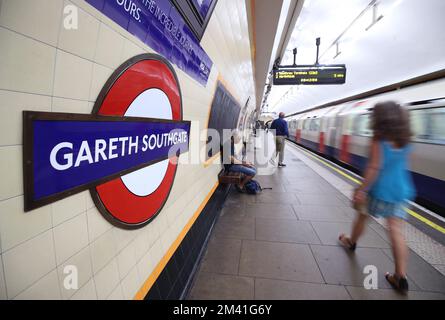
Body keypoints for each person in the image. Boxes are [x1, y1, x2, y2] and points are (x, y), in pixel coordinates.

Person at [339, 101, 415, 294]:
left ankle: (351, 241)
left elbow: (374, 167)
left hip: (379, 189)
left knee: (362, 216)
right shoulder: (405, 139)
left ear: (380, 119)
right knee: (396, 231)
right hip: (401, 190)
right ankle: (401, 277)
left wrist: (361, 189)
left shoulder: (379, 138)